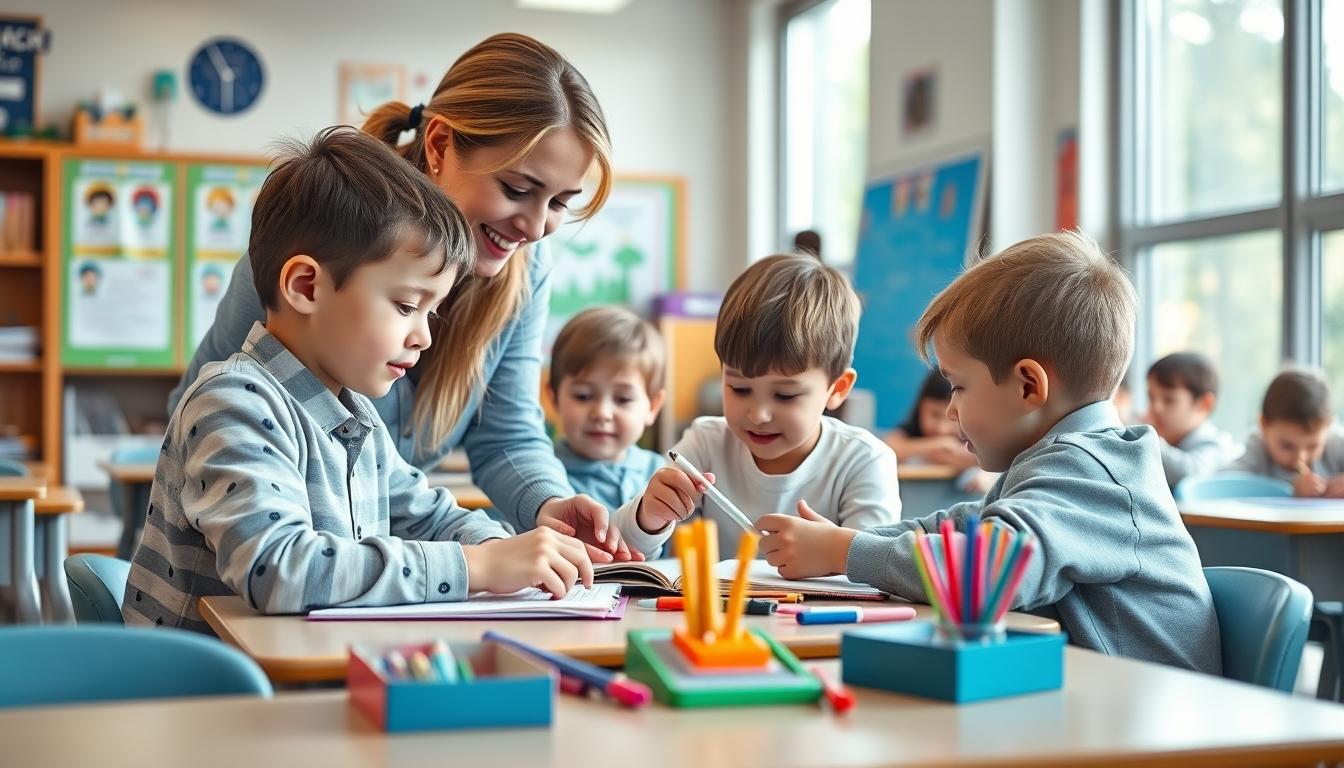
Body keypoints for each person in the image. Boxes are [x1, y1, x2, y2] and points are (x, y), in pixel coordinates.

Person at [173, 33, 628, 560]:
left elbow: (471, 462)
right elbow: (209, 425)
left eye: (561, 203)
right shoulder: (325, 235)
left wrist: (545, 509)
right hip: (240, 583)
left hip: (361, 583)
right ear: (438, 146)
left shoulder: (523, 269)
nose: (534, 226)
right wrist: (474, 563)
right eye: (517, 189)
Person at [124, 128, 595, 631]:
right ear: (307, 286)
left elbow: (430, 517)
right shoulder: (233, 403)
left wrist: (505, 549)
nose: (423, 338)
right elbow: (281, 569)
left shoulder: (354, 418)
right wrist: (477, 567)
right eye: (408, 306)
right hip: (209, 694)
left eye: (430, 315)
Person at [762, 231, 1221, 675]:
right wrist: (848, 543)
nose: (951, 408)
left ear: (1028, 386)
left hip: (1142, 725)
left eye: (959, 386)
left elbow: (986, 572)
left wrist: (845, 551)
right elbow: (960, 528)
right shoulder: (1060, 461)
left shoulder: (1092, 474)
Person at [614, 253, 902, 559]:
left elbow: (877, 569)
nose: (758, 414)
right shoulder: (705, 443)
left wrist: (834, 553)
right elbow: (624, 550)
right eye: (739, 388)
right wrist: (649, 517)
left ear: (838, 388)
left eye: (785, 396)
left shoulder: (864, 461)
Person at [548, 306, 665, 515]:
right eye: (583, 396)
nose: (602, 413)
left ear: (653, 406)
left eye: (623, 399)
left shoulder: (661, 475)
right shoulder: (540, 477)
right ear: (554, 397)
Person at [1224, 369, 1344, 497]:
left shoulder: (1334, 443)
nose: (1300, 458)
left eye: (1313, 446)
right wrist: (1290, 491)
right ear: (1263, 425)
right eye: (1287, 446)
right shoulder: (1258, 448)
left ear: (1328, 426)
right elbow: (1221, 485)